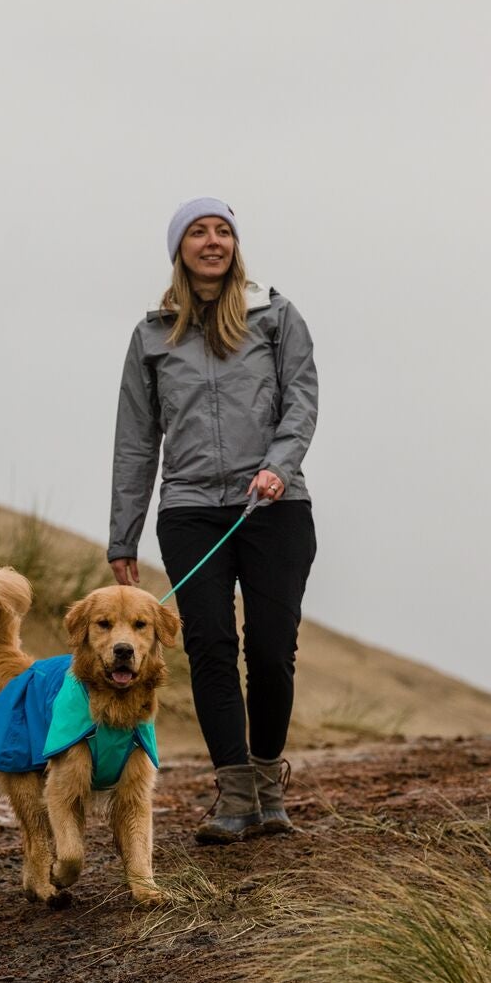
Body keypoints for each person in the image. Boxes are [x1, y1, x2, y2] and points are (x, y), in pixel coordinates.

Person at [107, 197, 319, 843]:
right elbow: (136, 441)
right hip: (190, 509)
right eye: (198, 232)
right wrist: (124, 534)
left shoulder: (276, 315)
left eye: (222, 231)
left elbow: (302, 399)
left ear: (235, 245)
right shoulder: (152, 333)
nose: (212, 241)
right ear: (180, 250)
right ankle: (233, 794)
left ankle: (267, 782)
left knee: (271, 651)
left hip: (275, 505)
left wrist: (279, 464)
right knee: (210, 649)